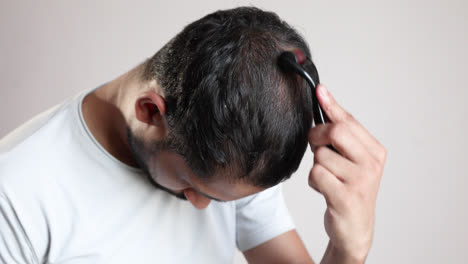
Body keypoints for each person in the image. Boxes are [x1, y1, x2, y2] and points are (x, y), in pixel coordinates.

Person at [0, 6, 387, 264]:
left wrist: (347, 251)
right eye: (194, 185)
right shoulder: (16, 196)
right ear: (151, 112)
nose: (205, 207)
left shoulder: (234, 152)